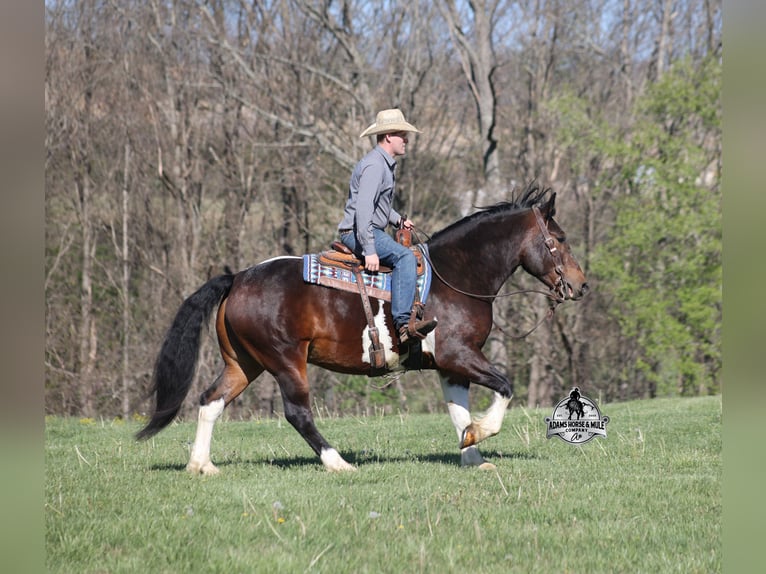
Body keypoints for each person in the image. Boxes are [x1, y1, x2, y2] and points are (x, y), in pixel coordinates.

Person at [338, 108, 437, 345]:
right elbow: (363, 210)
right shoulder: (375, 166)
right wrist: (369, 248)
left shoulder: (383, 164)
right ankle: (404, 325)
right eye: (402, 134)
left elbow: (377, 205)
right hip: (359, 233)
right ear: (388, 137)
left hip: (369, 229)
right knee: (405, 257)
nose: (406, 140)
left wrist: (397, 220)